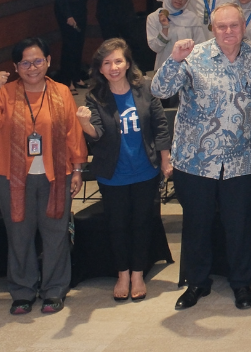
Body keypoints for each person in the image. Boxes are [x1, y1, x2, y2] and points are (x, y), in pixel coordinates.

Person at [151, 3, 251, 311]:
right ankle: (196, 283)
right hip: (195, 162)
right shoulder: (193, 56)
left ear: (244, 27)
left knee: (239, 225)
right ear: (213, 29)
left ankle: (241, 283)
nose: (228, 31)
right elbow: (159, 90)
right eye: (222, 26)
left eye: (234, 25)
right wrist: (173, 59)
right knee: (197, 225)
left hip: (240, 161)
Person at [0, 37, 89, 315]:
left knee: (56, 234)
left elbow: (73, 132)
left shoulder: (61, 91)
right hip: (12, 177)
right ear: (16, 67)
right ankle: (22, 291)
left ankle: (54, 289)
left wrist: (77, 169)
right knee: (19, 235)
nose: (32, 67)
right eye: (25, 63)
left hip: (56, 174)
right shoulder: (6, 93)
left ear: (48, 61)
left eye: (38, 61)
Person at [81, 39, 170, 303]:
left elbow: (160, 127)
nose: (114, 67)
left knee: (142, 223)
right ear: (100, 68)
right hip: (113, 173)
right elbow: (96, 133)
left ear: (128, 63)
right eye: (107, 63)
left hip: (145, 170)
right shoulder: (95, 96)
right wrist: (84, 124)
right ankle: (122, 274)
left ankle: (138, 274)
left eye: (118, 61)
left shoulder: (145, 88)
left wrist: (165, 160)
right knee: (117, 225)